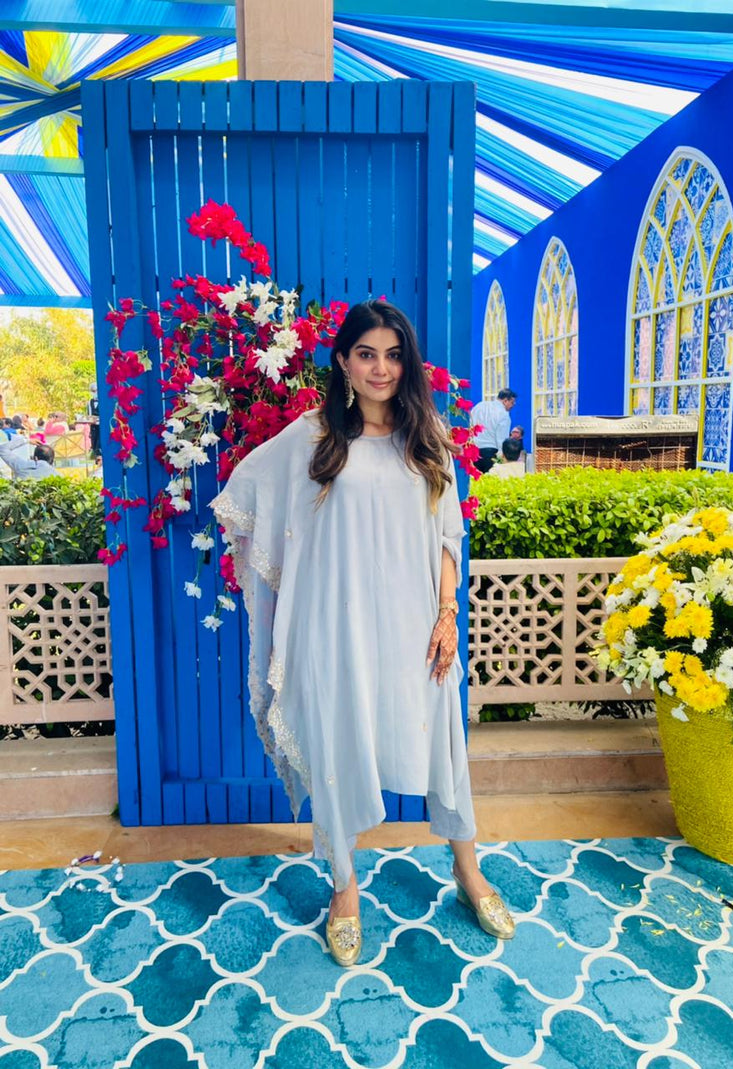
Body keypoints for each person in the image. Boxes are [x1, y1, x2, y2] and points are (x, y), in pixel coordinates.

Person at [211, 300, 515, 968]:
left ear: (407, 362)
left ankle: (467, 868)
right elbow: (244, 495)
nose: (382, 368)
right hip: (335, 627)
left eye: (394, 354)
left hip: (415, 624)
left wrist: (447, 614)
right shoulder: (313, 437)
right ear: (344, 362)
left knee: (442, 741)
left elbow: (447, 533)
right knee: (337, 744)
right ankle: (344, 887)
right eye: (367, 354)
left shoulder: (427, 435)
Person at [470, 388, 517, 473]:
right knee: (490, 479)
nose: (513, 405)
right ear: (505, 401)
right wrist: (502, 459)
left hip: (474, 451)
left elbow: (470, 423)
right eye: (512, 402)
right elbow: (502, 440)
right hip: (491, 453)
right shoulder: (504, 415)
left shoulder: (479, 406)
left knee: (474, 479)